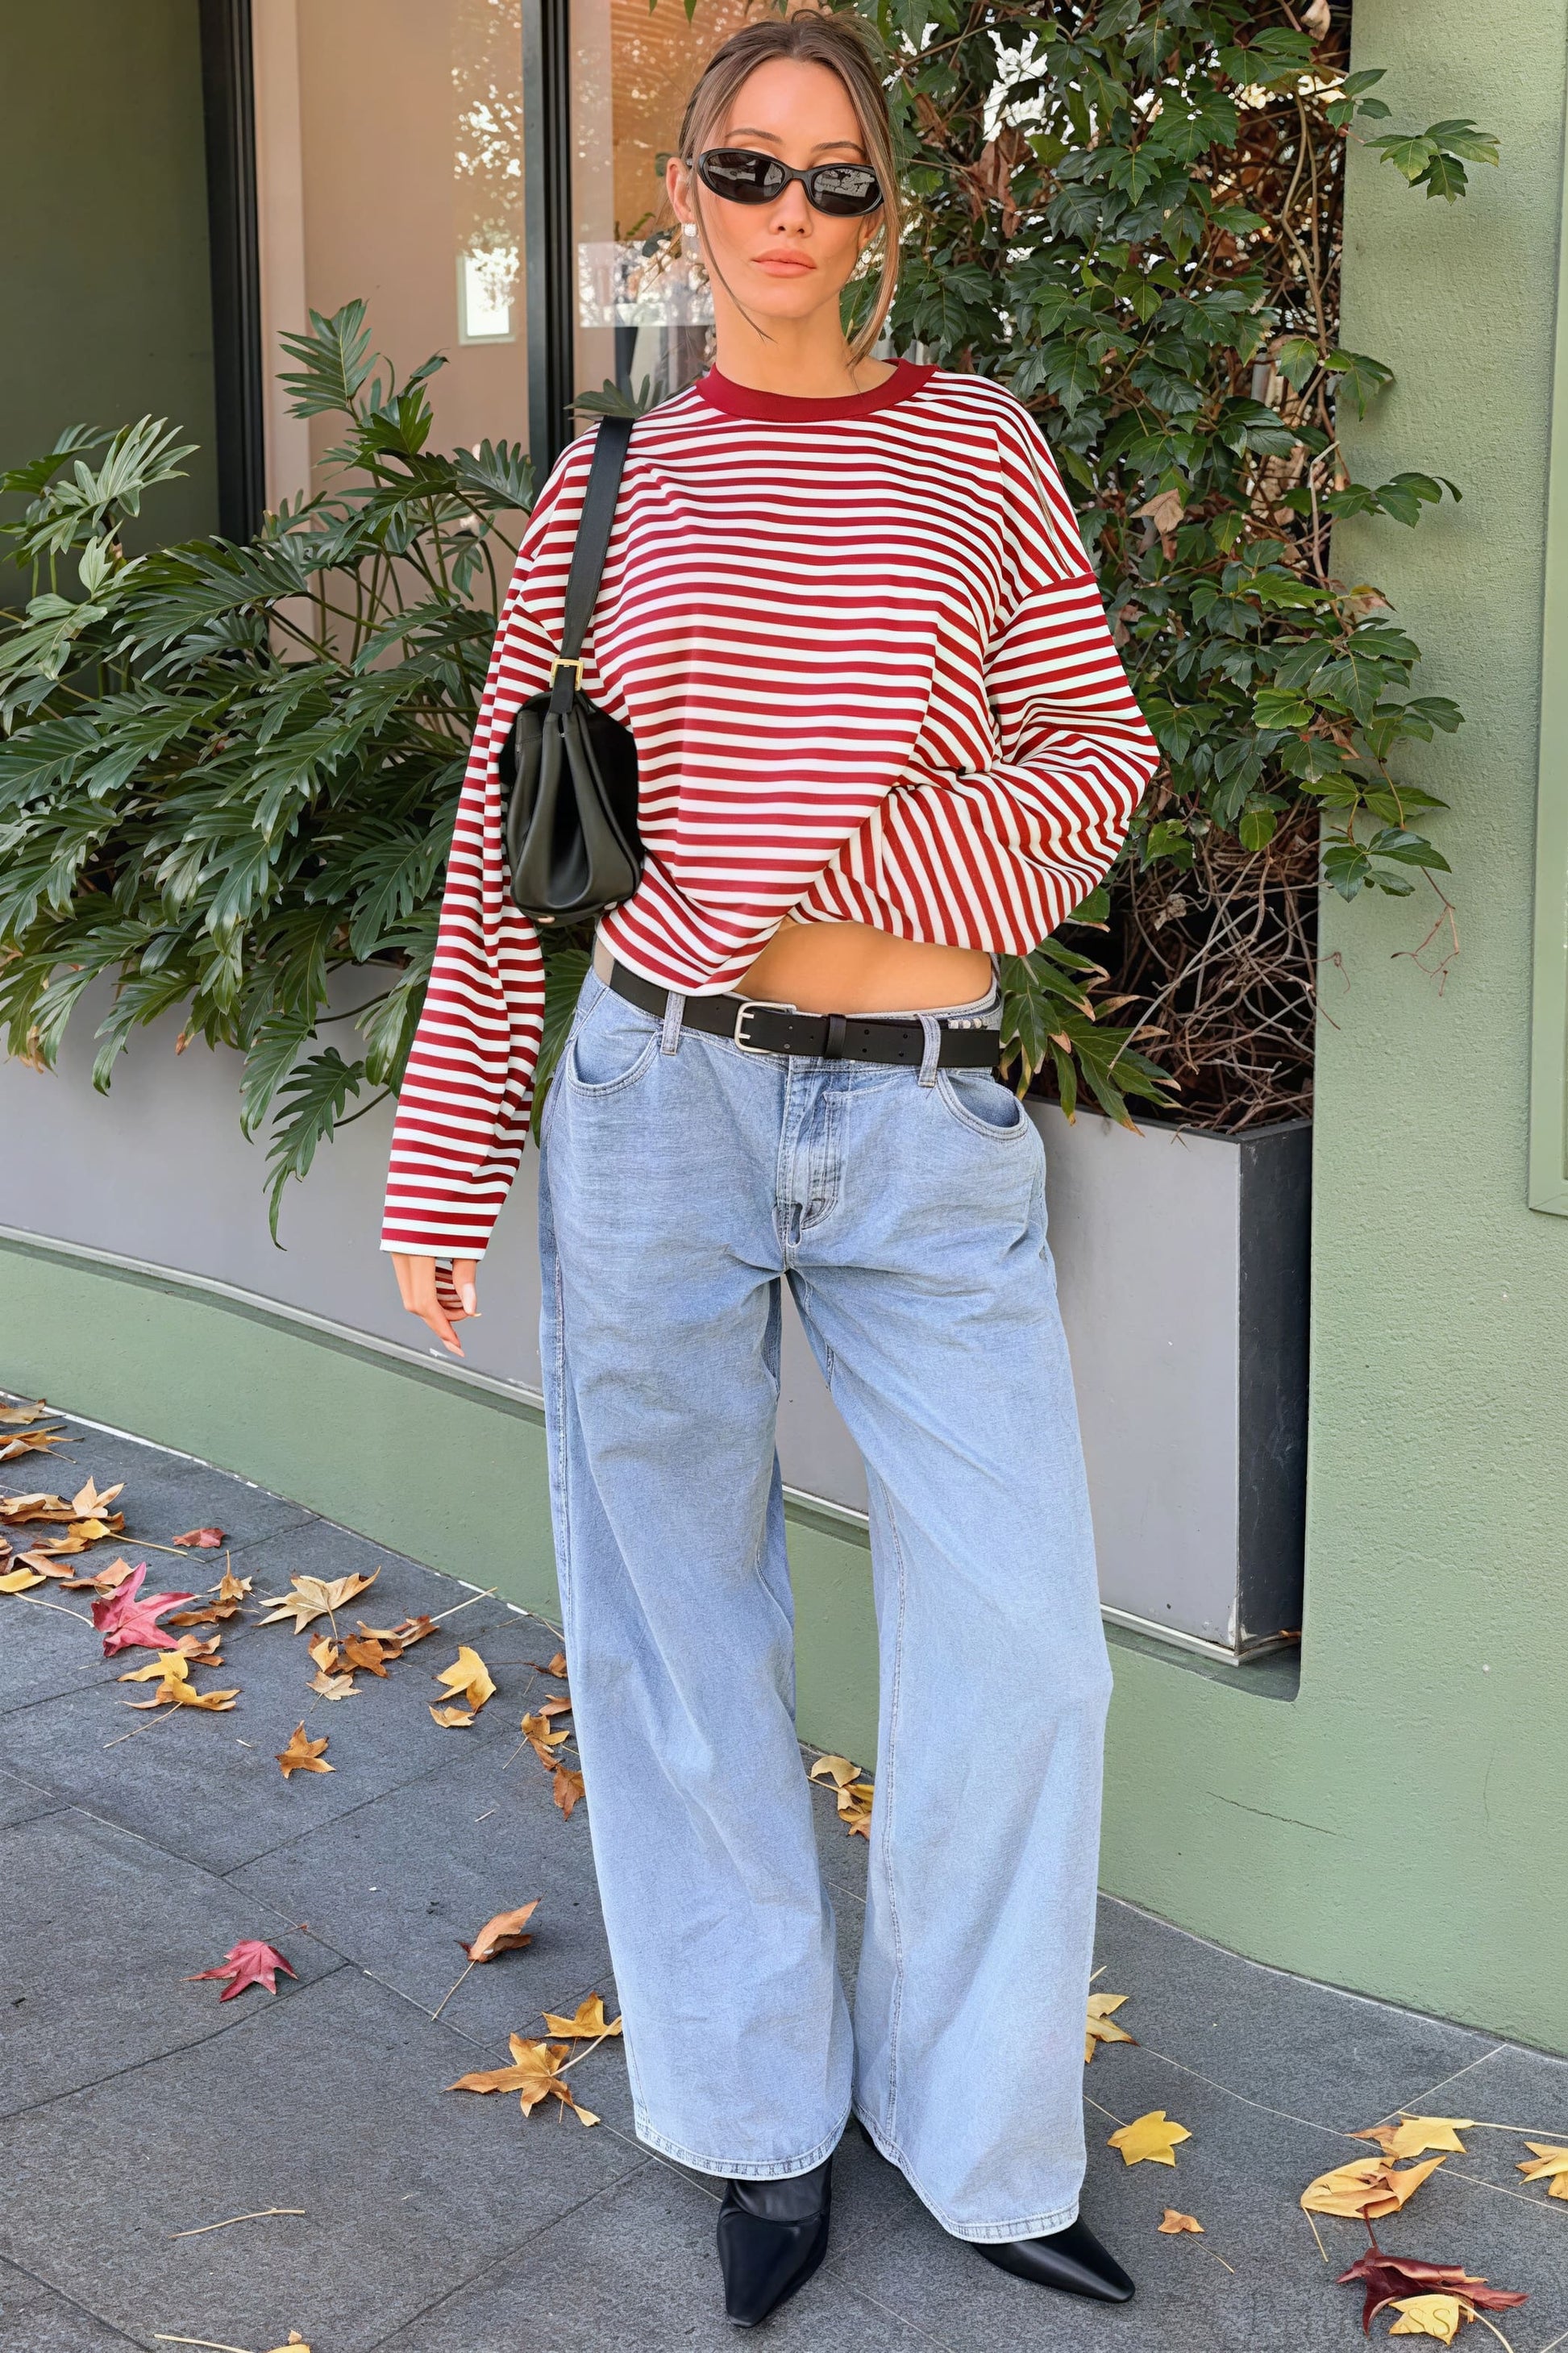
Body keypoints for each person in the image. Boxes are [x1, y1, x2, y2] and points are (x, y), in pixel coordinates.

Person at [385, 11, 1158, 2328]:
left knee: (1024, 1647)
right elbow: (508, 830)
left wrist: (841, 865)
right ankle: (756, 2120)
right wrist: (446, 1147)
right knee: (673, 1632)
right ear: (685, 198)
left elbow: (1094, 758)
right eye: (749, 168)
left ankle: (979, 2131)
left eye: (837, 178)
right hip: (660, 1103)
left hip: (921, 1112)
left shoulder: (979, 450)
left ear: (889, 215)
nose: (790, 215)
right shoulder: (602, 492)